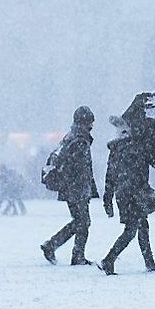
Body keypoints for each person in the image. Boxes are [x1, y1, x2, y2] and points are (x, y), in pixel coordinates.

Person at [97, 115, 155, 275]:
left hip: (123, 194)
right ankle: (109, 260)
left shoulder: (116, 149)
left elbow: (109, 175)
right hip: (136, 193)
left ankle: (149, 263)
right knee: (132, 229)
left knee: (141, 225)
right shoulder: (139, 146)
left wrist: (108, 199)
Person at [40, 106, 99, 266]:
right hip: (77, 189)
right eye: (91, 121)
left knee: (80, 221)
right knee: (83, 222)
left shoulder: (71, 136)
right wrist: (82, 187)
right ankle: (69, 252)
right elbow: (79, 168)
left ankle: (55, 246)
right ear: (86, 121)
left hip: (72, 188)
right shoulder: (80, 140)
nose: (93, 125)